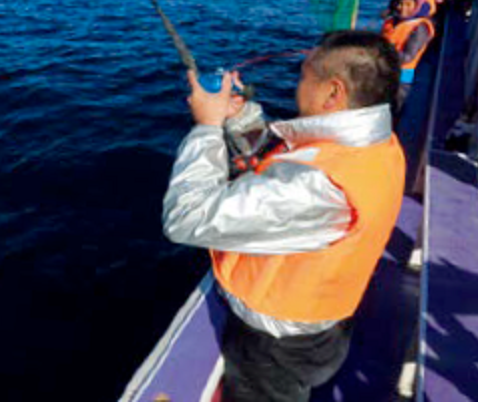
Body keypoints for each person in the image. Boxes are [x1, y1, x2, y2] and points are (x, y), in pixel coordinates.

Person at [162, 31, 406, 402]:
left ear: (333, 93)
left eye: (304, 75)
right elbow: (286, 173)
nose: (298, 83)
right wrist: (239, 117)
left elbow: (187, 218)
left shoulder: (321, 186)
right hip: (324, 320)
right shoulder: (375, 144)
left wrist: (207, 127)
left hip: (277, 345)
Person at [382, 0, 436, 115]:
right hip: (385, 70)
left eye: (408, 5)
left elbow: (408, 57)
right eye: (400, 4)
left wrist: (380, 53)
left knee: (395, 107)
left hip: (402, 75)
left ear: (417, 6)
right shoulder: (393, 21)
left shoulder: (420, 28)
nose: (402, 8)